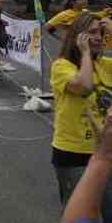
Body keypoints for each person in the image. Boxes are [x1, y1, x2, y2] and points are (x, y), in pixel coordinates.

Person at [51, 12, 112, 220]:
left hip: (106, 153)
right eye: (92, 32)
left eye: (101, 32)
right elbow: (84, 86)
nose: (98, 37)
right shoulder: (61, 66)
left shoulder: (105, 65)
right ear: (78, 37)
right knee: (82, 218)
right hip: (74, 155)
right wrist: (85, 54)